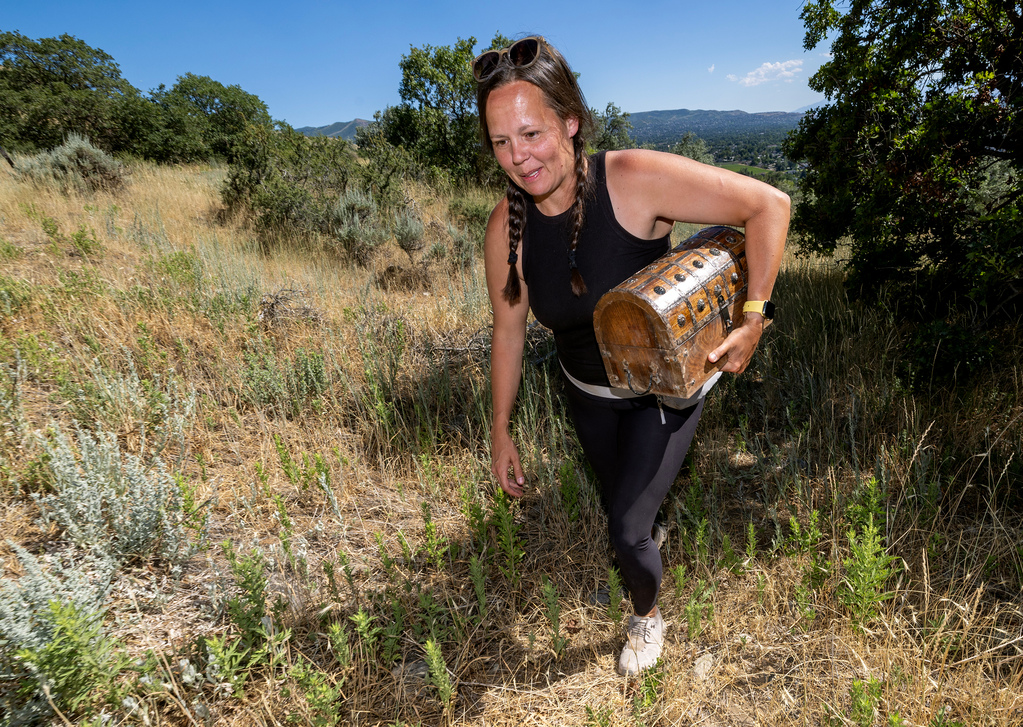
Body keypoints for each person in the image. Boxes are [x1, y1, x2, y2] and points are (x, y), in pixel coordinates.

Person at [475, 36, 789, 676]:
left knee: (625, 533)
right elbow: (507, 334)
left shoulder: (633, 181)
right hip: (585, 395)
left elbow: (768, 206)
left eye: (532, 134)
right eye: (502, 142)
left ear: (570, 122)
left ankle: (646, 617)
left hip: (663, 389)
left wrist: (754, 316)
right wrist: (500, 427)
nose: (519, 158)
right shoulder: (504, 228)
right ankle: (646, 522)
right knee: (622, 500)